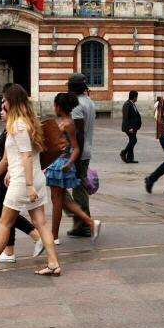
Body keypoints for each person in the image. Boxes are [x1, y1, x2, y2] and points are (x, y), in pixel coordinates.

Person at [0, 84, 60, 276]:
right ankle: (53, 263)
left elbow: (26, 155)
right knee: (41, 223)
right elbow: (22, 155)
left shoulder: (18, 124)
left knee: (5, 223)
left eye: (4, 100)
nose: (2, 102)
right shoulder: (28, 121)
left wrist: (27, 185)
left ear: (12, 102)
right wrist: (11, 171)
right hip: (35, 178)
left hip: (24, 182)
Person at [0, 92, 42, 263]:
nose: (1, 110)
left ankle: (5, 254)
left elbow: (10, 158)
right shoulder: (14, 127)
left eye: (3, 106)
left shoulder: (16, 128)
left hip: (12, 176)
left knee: (6, 217)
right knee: (10, 216)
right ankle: (10, 251)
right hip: (12, 175)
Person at [46, 93, 101, 242]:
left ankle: (55, 235)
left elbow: (76, 148)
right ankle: (90, 222)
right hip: (58, 163)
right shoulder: (64, 122)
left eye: (55, 105)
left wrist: (69, 163)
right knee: (60, 200)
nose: (53, 108)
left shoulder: (68, 124)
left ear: (59, 107)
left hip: (61, 164)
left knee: (57, 200)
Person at [64, 72, 96, 238]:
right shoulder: (89, 101)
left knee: (75, 188)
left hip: (79, 153)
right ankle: (81, 222)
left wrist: (76, 156)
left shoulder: (76, 105)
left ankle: (83, 223)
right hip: (85, 151)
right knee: (78, 187)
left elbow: (78, 133)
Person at [120, 90, 142, 164]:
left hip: (133, 127)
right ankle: (123, 152)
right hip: (129, 128)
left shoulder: (132, 104)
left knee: (131, 141)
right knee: (133, 140)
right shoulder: (127, 104)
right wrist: (129, 127)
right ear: (134, 97)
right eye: (136, 97)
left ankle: (130, 158)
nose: (137, 99)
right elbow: (126, 117)